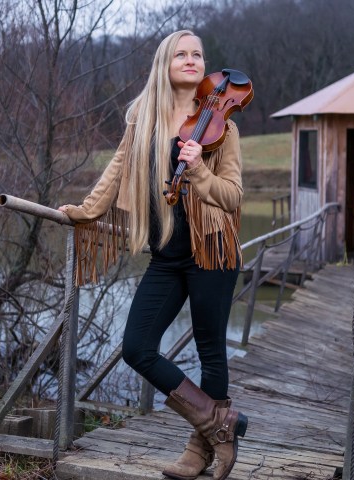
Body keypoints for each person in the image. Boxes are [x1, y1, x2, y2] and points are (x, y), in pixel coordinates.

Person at [58, 30, 248, 480]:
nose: (191, 60)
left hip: (212, 251)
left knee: (210, 352)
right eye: (181, 54)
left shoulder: (224, 126)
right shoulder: (142, 117)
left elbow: (234, 197)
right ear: (165, 64)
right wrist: (85, 211)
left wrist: (199, 169)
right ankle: (221, 426)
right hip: (166, 253)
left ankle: (199, 451)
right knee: (137, 347)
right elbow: (115, 170)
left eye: (198, 53)